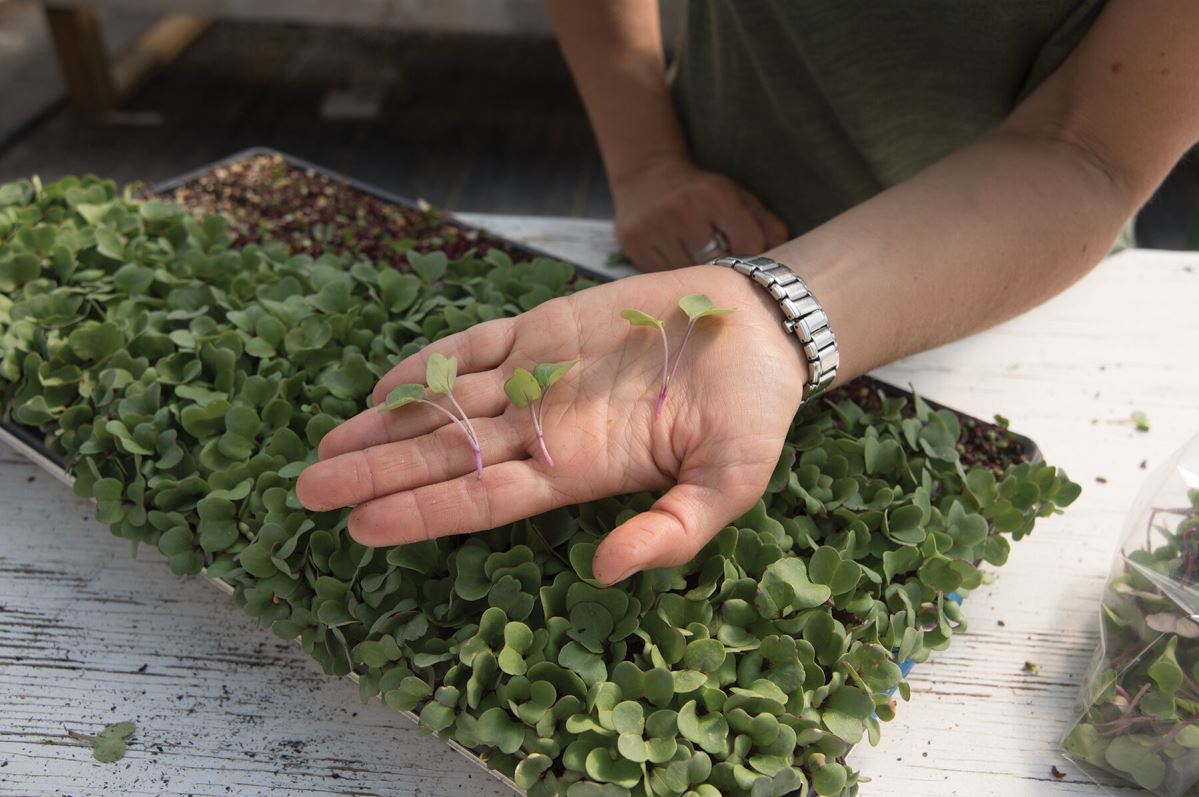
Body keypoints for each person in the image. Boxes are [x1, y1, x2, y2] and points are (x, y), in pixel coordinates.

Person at [297, 1, 1199, 586]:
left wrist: (777, 315)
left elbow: (1089, 146)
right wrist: (645, 158)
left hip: (1024, 289)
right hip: (698, 228)